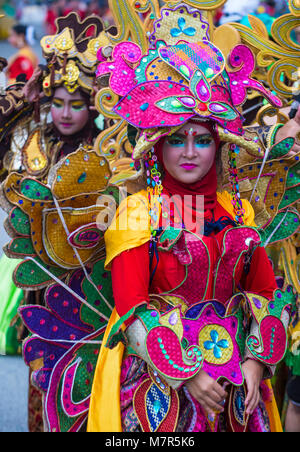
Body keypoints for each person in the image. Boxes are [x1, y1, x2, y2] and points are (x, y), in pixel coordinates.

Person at [5, 1, 300, 433]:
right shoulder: (138, 212)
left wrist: (256, 362)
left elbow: (266, 292)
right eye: (176, 138)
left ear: (218, 145)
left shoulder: (240, 209)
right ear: (156, 146)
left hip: (238, 390)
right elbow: (131, 312)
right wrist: (188, 374)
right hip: (159, 392)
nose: (189, 152)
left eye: (201, 139)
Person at [0, 11, 116, 432]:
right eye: (58, 103)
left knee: (89, 388)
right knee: (44, 382)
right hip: (43, 285)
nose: (66, 113)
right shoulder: (33, 146)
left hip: (95, 289)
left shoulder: (110, 149)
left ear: (93, 104)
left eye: (77, 104)